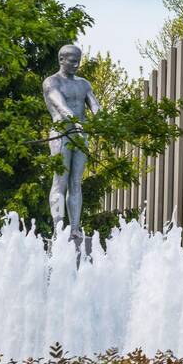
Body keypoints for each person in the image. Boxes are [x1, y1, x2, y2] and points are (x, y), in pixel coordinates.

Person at [43, 43, 101, 235]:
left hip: (80, 135)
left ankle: (75, 228)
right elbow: (60, 105)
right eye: (72, 61)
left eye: (78, 61)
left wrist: (101, 120)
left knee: (76, 182)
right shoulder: (52, 82)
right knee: (60, 181)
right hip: (61, 134)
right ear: (62, 60)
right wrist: (76, 122)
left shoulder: (84, 84)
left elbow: (94, 105)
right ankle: (58, 228)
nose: (76, 65)